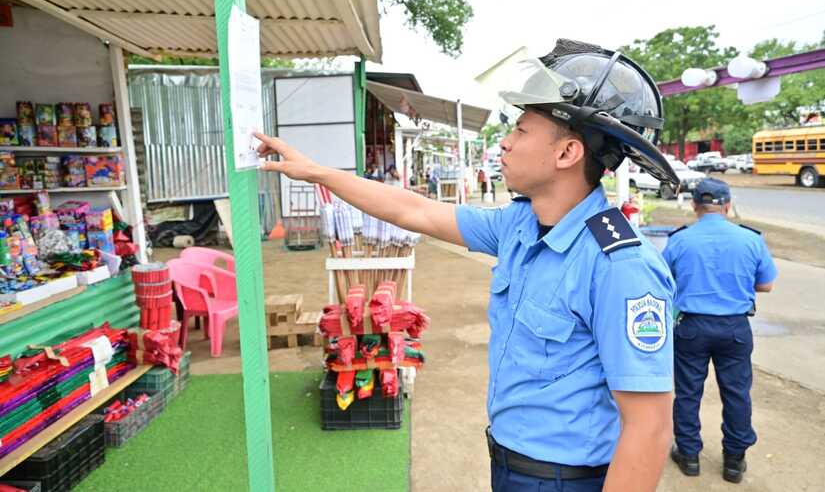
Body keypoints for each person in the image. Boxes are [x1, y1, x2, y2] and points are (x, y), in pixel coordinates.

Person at [254, 38, 680, 492]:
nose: (505, 144)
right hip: (509, 463)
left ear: (566, 154)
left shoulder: (621, 265)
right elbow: (414, 211)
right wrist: (317, 172)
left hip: (565, 480)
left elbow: (649, 428)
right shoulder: (520, 224)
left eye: (521, 131)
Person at [664, 177, 777, 484]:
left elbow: (664, 281)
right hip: (735, 328)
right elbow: (766, 284)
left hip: (691, 327)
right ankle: (734, 462)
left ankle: (688, 456)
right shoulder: (750, 239)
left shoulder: (679, 240)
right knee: (737, 393)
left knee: (688, 393)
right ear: (727, 206)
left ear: (694, 205)